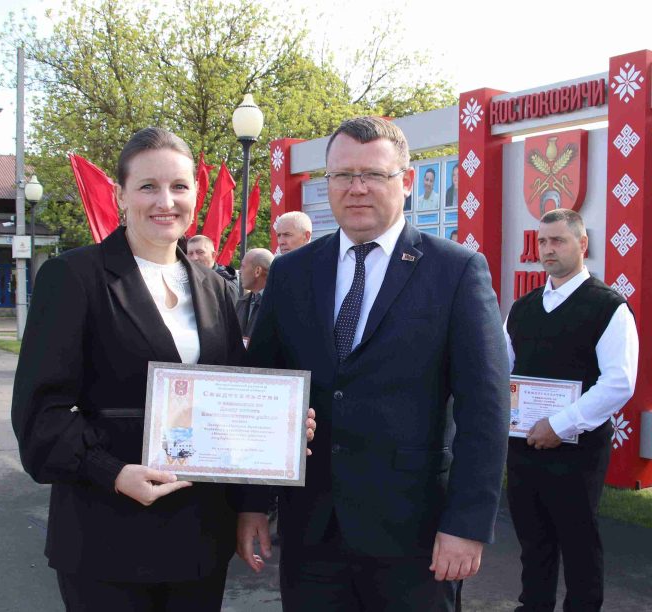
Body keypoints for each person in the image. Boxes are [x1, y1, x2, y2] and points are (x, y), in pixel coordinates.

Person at [237, 116, 509, 611]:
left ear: (405, 182)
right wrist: (254, 504)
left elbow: (485, 410)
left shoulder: (456, 271)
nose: (356, 188)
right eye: (342, 175)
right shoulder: (293, 273)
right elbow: (264, 388)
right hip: (312, 533)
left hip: (417, 538)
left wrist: (467, 525)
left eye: (374, 175)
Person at [11, 127, 248, 611]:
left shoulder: (216, 287)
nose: (166, 201)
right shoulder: (74, 277)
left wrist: (282, 427)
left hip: (199, 539)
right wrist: (112, 472)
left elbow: (235, 397)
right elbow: (40, 412)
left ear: (196, 195)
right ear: (120, 195)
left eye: (179, 187)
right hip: (107, 534)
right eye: (148, 187)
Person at [504, 209, 638, 612]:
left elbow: (619, 382)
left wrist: (559, 425)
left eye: (558, 241)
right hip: (524, 448)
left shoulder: (608, 307)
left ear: (582, 245)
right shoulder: (522, 308)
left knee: (579, 545)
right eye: (542, 241)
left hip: (577, 453)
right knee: (533, 544)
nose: (548, 249)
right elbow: (502, 370)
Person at [235, 247, 273, 343]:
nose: (239, 271)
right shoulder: (241, 302)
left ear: (257, 271)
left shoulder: (277, 305)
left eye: (243, 266)